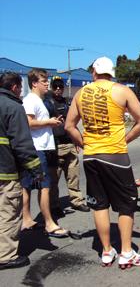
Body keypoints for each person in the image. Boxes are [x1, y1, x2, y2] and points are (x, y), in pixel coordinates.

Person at [65, 57, 140, 268]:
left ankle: (106, 251)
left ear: (94, 72)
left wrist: (84, 143)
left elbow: (69, 126)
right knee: (126, 205)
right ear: (111, 73)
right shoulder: (122, 91)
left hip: (92, 156)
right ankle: (127, 252)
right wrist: (126, 139)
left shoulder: (80, 93)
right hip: (115, 155)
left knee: (99, 205)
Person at [0, 73, 43, 269]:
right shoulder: (14, 107)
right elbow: (22, 144)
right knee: (8, 211)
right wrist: (36, 170)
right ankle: (6, 256)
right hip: (6, 170)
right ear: (16, 87)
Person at [21, 69, 69, 237]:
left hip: (43, 147)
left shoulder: (39, 100)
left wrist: (51, 123)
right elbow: (28, 122)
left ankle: (27, 220)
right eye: (44, 81)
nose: (47, 83)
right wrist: (49, 122)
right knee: (44, 186)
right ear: (34, 83)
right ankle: (49, 223)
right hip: (37, 148)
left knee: (29, 185)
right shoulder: (30, 100)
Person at [43, 77, 89, 214]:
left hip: (69, 144)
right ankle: (54, 205)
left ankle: (77, 201)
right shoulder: (46, 103)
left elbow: (72, 124)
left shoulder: (67, 102)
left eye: (60, 87)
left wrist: (77, 140)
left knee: (73, 176)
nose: (58, 89)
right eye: (55, 86)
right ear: (52, 87)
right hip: (55, 146)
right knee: (53, 180)